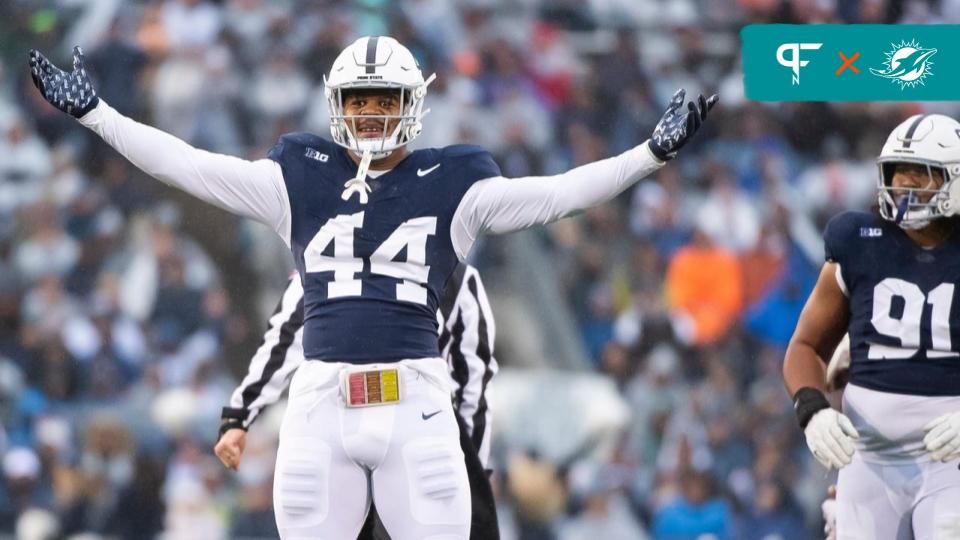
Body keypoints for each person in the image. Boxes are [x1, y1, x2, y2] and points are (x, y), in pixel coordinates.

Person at [29, 38, 717, 539]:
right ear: (335, 103)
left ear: (412, 102)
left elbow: (558, 196)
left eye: (380, 100)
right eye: (356, 100)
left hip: (416, 398)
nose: (366, 114)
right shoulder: (297, 175)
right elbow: (188, 165)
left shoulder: (458, 183)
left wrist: (648, 155)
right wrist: (97, 115)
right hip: (321, 401)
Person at [214, 263, 499, 539]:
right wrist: (474, 469)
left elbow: (283, 342)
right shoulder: (453, 272)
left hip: (354, 424)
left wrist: (239, 414)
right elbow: (473, 384)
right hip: (415, 428)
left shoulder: (322, 261)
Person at [783, 113, 960, 539]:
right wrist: (812, 412)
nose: (905, 184)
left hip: (950, 456)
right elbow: (806, 346)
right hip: (869, 456)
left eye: (922, 174)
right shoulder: (858, 242)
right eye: (899, 171)